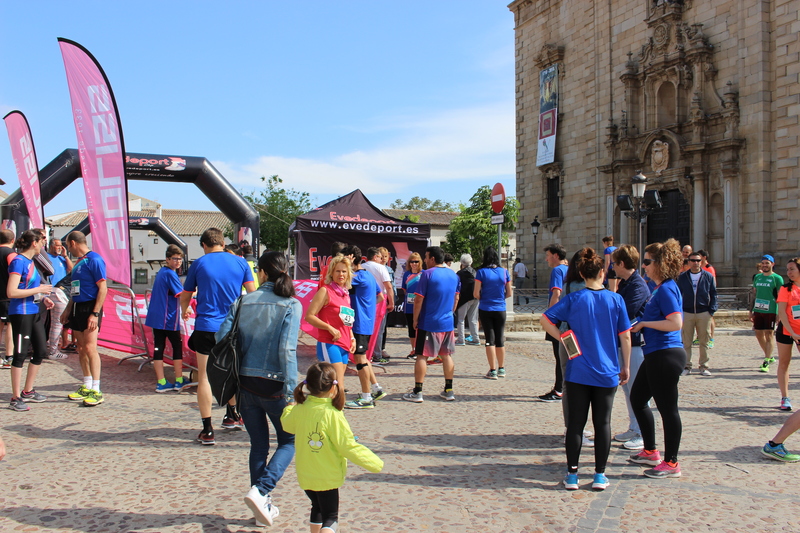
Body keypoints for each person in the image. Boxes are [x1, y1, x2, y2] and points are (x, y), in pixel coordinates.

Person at [217, 251, 301, 527]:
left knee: (259, 446)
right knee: (290, 441)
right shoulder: (291, 304)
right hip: (275, 384)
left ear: (262, 272)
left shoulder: (243, 301)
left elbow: (221, 337)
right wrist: (291, 391)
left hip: (244, 385)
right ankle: (261, 491)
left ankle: (262, 504)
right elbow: (287, 350)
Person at [541, 247, 631, 491]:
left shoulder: (574, 299)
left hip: (578, 369)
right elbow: (625, 337)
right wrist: (626, 365)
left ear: (581, 272)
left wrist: (562, 337)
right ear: (602, 272)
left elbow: (545, 319)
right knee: (603, 423)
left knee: (576, 425)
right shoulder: (616, 299)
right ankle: (600, 474)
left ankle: (572, 475)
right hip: (607, 369)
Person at [281, 362, 384, 533]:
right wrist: (375, 463)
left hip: (306, 474)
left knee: (317, 508)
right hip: (327, 476)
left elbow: (287, 425)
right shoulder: (333, 415)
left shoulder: (301, 409)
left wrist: (288, 409)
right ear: (332, 388)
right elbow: (348, 446)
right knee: (330, 517)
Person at [180, 227, 256, 445]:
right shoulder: (240, 262)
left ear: (204, 245)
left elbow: (185, 295)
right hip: (232, 328)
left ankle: (207, 430)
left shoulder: (199, 263)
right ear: (223, 243)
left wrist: (185, 308)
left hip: (206, 326)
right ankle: (232, 415)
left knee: (204, 377)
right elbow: (252, 295)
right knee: (231, 373)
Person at [629, 238, 686, 478]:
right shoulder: (658, 289)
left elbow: (675, 322)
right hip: (655, 353)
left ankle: (671, 462)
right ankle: (651, 451)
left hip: (666, 354)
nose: (644, 266)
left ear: (661, 264)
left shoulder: (667, 289)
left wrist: (644, 323)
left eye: (647, 262)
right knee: (638, 398)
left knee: (667, 409)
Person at [402, 246, 460, 403]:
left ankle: (418, 391)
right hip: (447, 322)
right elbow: (456, 298)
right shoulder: (453, 275)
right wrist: (449, 312)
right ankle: (449, 390)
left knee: (422, 355)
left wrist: (415, 319)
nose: (425, 260)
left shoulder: (427, 274)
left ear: (433, 258)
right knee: (446, 355)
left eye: (426, 257)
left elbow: (418, 299)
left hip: (429, 322)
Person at [6, 229, 55, 411]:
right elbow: (11, 292)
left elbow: (30, 289)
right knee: (19, 355)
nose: (44, 245)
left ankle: (28, 390)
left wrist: (43, 297)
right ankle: (15, 397)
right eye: (42, 241)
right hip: (21, 313)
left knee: (41, 350)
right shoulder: (18, 261)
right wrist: (38, 290)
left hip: (33, 312)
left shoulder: (30, 262)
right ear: (34, 243)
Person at [61, 231, 108, 407]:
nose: (67, 249)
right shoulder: (78, 263)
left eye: (67, 245)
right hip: (77, 307)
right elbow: (75, 289)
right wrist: (67, 309)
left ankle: (97, 389)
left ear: (73, 243)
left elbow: (103, 288)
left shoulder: (95, 260)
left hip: (90, 307)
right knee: (81, 348)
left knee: (90, 348)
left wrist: (95, 313)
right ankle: (87, 385)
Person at [611, 245, 651, 451]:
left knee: (637, 389)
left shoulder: (637, 285)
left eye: (614, 263)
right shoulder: (626, 283)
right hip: (624, 342)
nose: (612, 267)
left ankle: (642, 432)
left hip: (636, 344)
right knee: (627, 388)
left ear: (622, 264)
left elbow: (624, 312)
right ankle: (634, 426)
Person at [343, 245, 386, 409]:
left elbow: (337, 282)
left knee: (360, 360)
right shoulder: (368, 275)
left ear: (351, 257)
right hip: (366, 322)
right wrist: (367, 308)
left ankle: (366, 397)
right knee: (364, 359)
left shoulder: (357, 277)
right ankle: (376, 388)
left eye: (344, 258)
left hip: (360, 323)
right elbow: (380, 297)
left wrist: (361, 309)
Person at [305, 255, 356, 390]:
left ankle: (335, 407)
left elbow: (347, 321)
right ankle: (336, 408)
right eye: (338, 271)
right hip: (329, 341)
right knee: (336, 382)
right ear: (331, 273)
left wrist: (352, 337)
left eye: (344, 271)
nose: (341, 274)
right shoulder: (325, 291)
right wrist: (329, 328)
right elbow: (309, 316)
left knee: (338, 382)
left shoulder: (345, 294)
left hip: (345, 342)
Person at [145, 245, 188, 392]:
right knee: (176, 346)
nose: (178, 262)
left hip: (157, 318)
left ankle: (161, 381)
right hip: (167, 318)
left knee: (159, 348)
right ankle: (179, 379)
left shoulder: (162, 272)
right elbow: (181, 294)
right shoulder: (170, 274)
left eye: (180, 259)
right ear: (167, 259)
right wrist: (194, 294)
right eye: (175, 259)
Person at [677, 251, 718, 376]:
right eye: (693, 260)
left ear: (702, 262)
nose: (696, 263)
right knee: (686, 341)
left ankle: (703, 366)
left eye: (698, 260)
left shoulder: (708, 276)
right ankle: (686, 366)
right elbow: (678, 294)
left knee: (704, 340)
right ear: (689, 262)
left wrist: (711, 310)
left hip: (703, 312)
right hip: (687, 312)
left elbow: (713, 293)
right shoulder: (682, 277)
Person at [474, 247, 512, 379]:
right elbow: (509, 293)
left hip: (486, 308)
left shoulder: (481, 272)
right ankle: (502, 368)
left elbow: (475, 293)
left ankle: (492, 370)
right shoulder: (504, 272)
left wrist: (485, 298)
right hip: (500, 308)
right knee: (500, 338)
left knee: (489, 340)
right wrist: (499, 298)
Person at [538, 243, 568, 402]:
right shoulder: (569, 269)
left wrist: (550, 315)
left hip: (558, 318)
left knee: (559, 355)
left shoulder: (557, 270)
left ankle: (559, 389)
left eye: (548, 255)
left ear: (556, 255)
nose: (546, 259)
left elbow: (556, 293)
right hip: (568, 317)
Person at [775, 257, 800, 412]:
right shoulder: (785, 289)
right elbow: (782, 312)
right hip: (786, 331)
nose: (789, 272)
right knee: (784, 363)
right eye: (787, 269)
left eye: (792, 269)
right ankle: (785, 397)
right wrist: (792, 333)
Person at [751, 255, 783, 372]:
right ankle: (769, 355)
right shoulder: (757, 277)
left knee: (769, 334)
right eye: (763, 263)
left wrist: (779, 312)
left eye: (767, 263)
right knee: (759, 334)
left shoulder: (777, 278)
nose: (765, 265)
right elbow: (754, 295)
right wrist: (751, 311)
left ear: (772, 264)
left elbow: (781, 296)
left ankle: (766, 361)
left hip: (771, 310)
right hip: (759, 309)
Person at [362, 248, 393, 364]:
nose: (382, 260)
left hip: (364, 300)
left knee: (365, 327)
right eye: (380, 257)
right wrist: (392, 302)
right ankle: (377, 355)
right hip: (379, 300)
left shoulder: (362, 267)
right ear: (375, 257)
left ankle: (364, 353)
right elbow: (388, 287)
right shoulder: (381, 268)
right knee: (379, 329)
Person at [45, 238, 73, 360]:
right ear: (51, 246)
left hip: (62, 293)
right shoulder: (46, 257)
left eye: (61, 246)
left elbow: (71, 270)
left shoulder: (62, 258)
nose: (60, 248)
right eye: (57, 245)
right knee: (55, 323)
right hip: (52, 291)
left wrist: (66, 256)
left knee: (56, 323)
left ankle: (52, 348)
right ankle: (52, 350)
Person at [0, 229, 17, 369]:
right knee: (10, 326)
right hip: (7, 296)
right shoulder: (11, 254)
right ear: (13, 240)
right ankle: (9, 357)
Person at [402, 252, 424, 357]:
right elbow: (404, 289)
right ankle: (413, 349)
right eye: (412, 261)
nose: (414, 264)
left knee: (420, 328)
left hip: (421, 306)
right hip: (409, 306)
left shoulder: (423, 274)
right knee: (411, 328)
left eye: (416, 261)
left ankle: (421, 349)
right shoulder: (406, 274)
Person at [455, 254, 480, 346]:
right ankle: (475, 338)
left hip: (464, 298)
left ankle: (461, 339)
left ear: (461, 262)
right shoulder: (476, 272)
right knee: (473, 319)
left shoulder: (460, 273)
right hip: (475, 297)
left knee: (461, 319)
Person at [697, 249, 717, 347]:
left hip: (707, 296)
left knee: (710, 318)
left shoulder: (709, 268)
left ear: (704, 257)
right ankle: (699, 337)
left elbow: (712, 283)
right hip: (699, 296)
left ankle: (711, 338)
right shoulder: (699, 267)